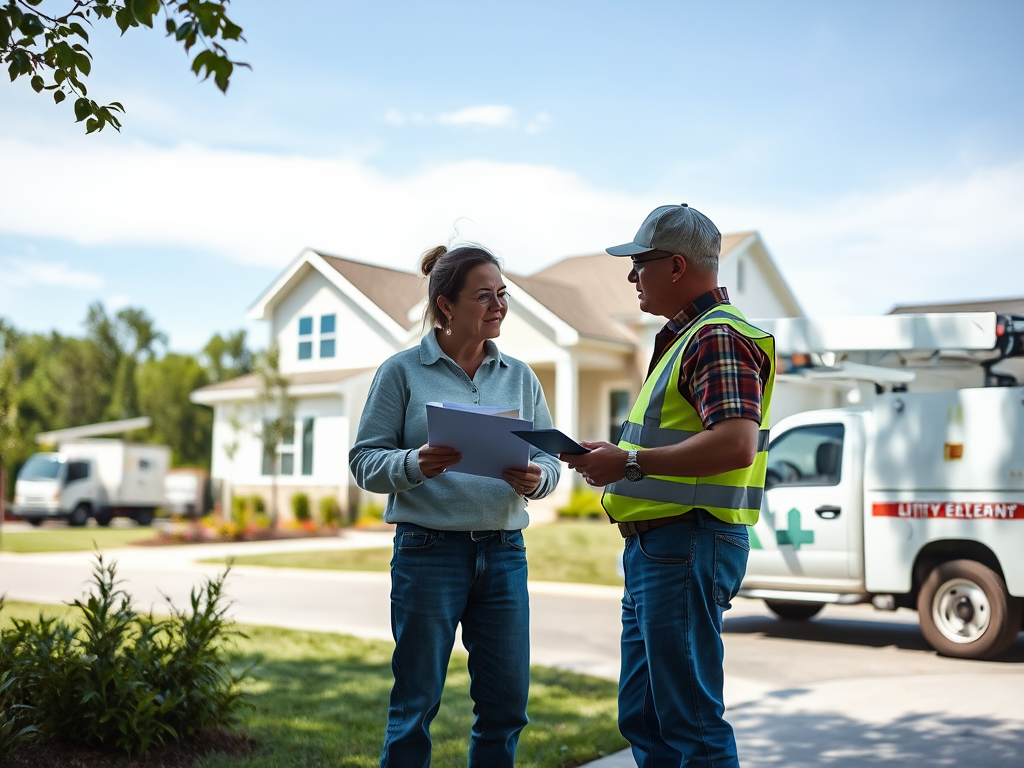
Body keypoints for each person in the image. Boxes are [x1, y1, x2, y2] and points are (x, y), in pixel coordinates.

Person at [562, 204, 775, 768]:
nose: (631, 277)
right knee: (644, 715)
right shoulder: (684, 339)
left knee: (690, 725)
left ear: (676, 266)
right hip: (659, 549)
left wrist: (628, 464)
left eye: (640, 263)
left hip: (686, 546)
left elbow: (735, 444)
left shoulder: (717, 338)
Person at [349, 243, 561, 768]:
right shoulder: (401, 372)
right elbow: (364, 461)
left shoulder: (521, 376)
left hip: (504, 553)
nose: (499, 306)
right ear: (446, 305)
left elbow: (551, 460)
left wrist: (537, 479)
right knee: (415, 705)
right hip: (428, 553)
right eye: (484, 296)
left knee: (506, 706)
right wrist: (414, 463)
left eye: (502, 294)